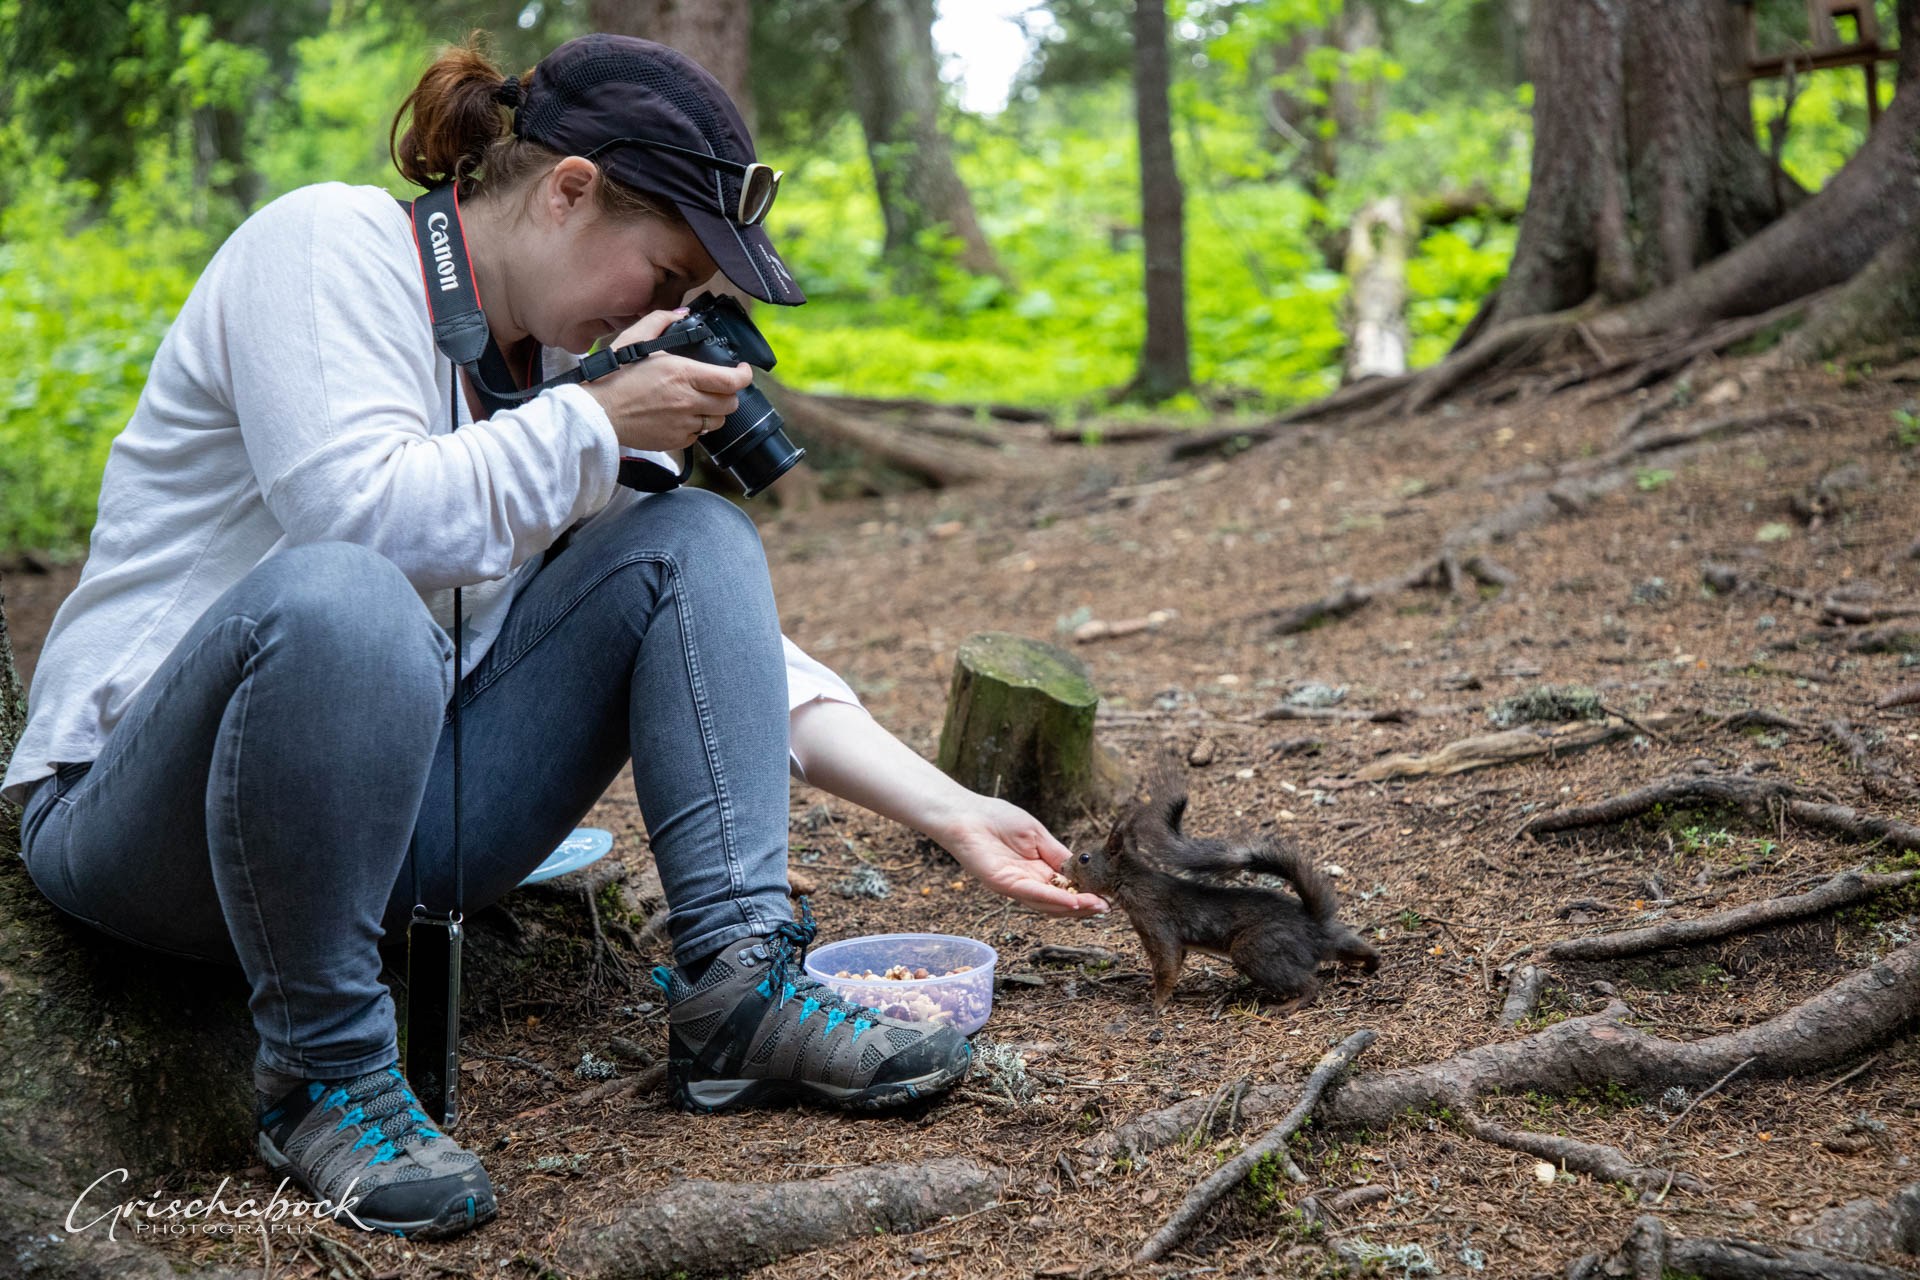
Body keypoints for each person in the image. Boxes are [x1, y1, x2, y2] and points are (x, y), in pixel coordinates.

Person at [0, 32, 1107, 1242]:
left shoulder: (565, 374)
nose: (666, 314)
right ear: (569, 191)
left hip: (403, 831)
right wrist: (592, 419)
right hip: (145, 823)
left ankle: (738, 990)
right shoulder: (326, 246)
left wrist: (948, 808)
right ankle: (326, 1073)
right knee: (347, 593)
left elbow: (720, 655)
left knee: (696, 538)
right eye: (667, 273)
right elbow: (357, 517)